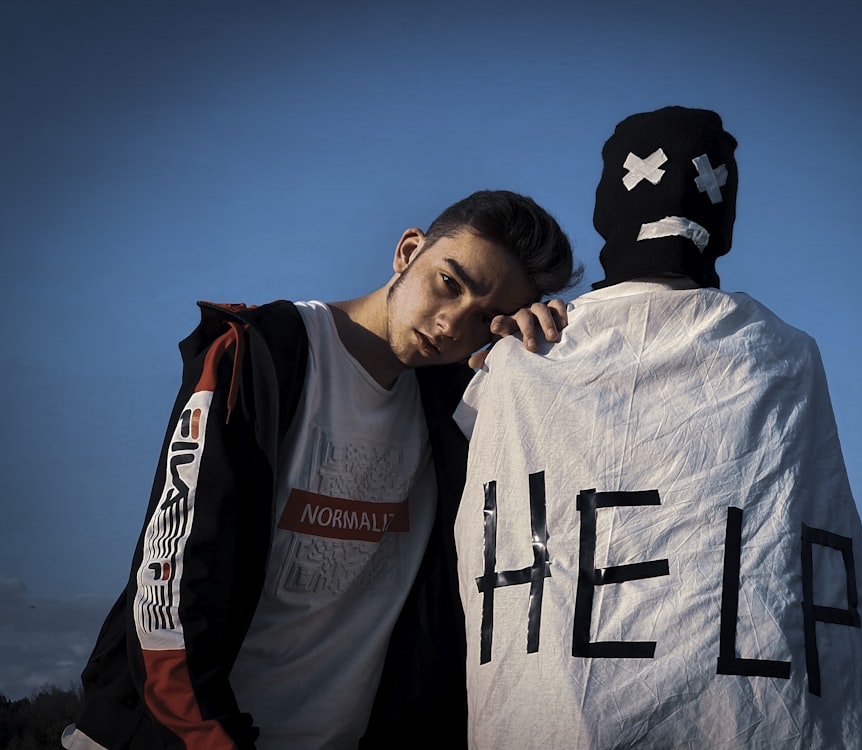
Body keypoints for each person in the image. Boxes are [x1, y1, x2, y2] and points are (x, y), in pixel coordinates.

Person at [453, 107, 862, 748]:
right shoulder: (782, 353)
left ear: (606, 210)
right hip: (751, 716)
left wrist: (495, 362)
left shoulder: (529, 354)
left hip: (560, 719)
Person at [62, 189, 580, 750]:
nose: (453, 323)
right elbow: (170, 587)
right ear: (408, 252)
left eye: (485, 317)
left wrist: (547, 355)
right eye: (448, 283)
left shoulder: (459, 410)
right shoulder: (261, 353)